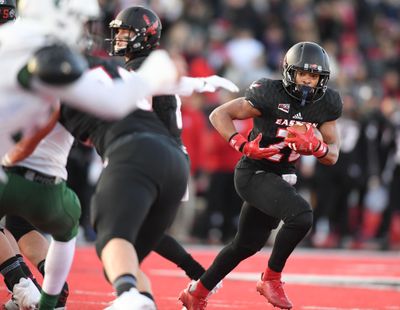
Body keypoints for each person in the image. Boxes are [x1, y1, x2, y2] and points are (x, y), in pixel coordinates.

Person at [178, 41, 342, 310]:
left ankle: (196, 292)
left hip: (283, 176)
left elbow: (332, 155)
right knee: (301, 216)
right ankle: (271, 278)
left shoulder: (327, 104)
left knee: (246, 244)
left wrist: (317, 146)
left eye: (313, 76)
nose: (307, 81)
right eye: (303, 74)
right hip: (254, 170)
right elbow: (220, 114)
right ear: (290, 72)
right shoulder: (269, 92)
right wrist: (241, 144)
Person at [107, 5, 238, 287]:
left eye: (125, 32)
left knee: (117, 236)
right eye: (118, 32)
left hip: (150, 159)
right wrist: (204, 83)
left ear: (144, 36)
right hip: (172, 159)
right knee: (143, 232)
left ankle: (132, 292)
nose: (119, 38)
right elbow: (175, 83)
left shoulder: (141, 67)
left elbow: (122, 104)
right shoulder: (149, 66)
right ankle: (199, 276)